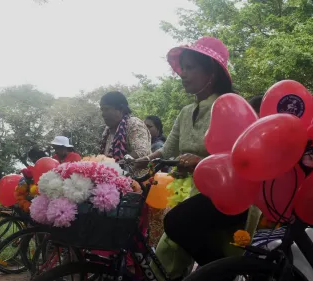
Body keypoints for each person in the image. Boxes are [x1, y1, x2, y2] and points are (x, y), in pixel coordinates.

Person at [134, 37, 260, 281]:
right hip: (195, 194)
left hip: (230, 197)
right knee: (167, 252)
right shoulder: (185, 112)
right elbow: (168, 149)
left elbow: (241, 156)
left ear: (210, 71)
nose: (183, 74)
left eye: (190, 67)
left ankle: (220, 274)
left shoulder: (229, 106)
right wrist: (142, 161)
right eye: (183, 68)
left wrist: (199, 162)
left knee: (178, 225)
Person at [99, 91, 151, 178]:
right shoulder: (108, 130)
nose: (103, 114)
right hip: (113, 180)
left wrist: (115, 165)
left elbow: (141, 152)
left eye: (107, 109)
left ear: (121, 109)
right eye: (102, 110)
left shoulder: (133, 124)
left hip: (138, 183)